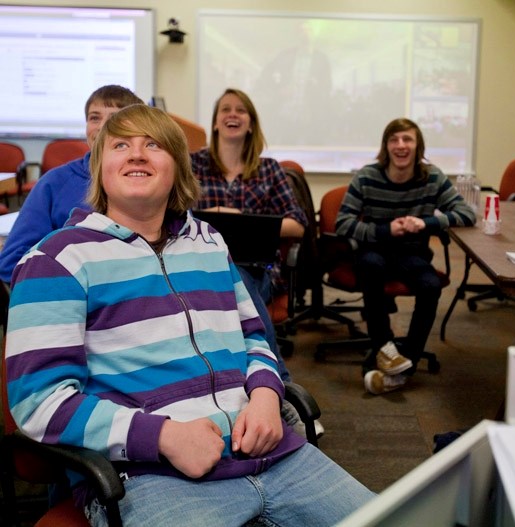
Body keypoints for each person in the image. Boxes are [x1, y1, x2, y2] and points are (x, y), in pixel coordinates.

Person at [4, 104, 373, 526]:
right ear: (99, 168)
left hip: (271, 454)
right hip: (149, 476)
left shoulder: (209, 243)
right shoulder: (57, 260)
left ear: (178, 169)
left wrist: (269, 397)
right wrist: (161, 436)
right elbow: (40, 403)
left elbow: (254, 338)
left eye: (154, 145)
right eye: (121, 145)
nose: (137, 154)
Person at [336, 117, 476, 395]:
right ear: (386, 147)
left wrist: (427, 224)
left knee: (431, 285)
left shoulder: (432, 177)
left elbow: (467, 214)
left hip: (412, 253)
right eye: (394, 140)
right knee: (371, 266)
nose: (401, 146)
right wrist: (384, 230)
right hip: (375, 250)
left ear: (417, 146)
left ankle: (407, 360)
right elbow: (342, 223)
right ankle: (384, 347)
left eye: (407, 140)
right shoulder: (367, 176)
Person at [191, 89, 307, 365]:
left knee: (238, 279)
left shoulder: (269, 169)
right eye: (226, 109)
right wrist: (214, 215)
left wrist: (242, 220)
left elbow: (298, 225)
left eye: (241, 110)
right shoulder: (192, 165)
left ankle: (276, 377)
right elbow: (173, 213)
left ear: (251, 123)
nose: (233, 114)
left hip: (257, 270)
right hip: (199, 264)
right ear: (216, 123)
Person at [0, 85, 143, 283]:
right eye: (94, 118)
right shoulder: (54, 183)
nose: (102, 126)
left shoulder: (149, 181)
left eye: (114, 118)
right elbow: (12, 263)